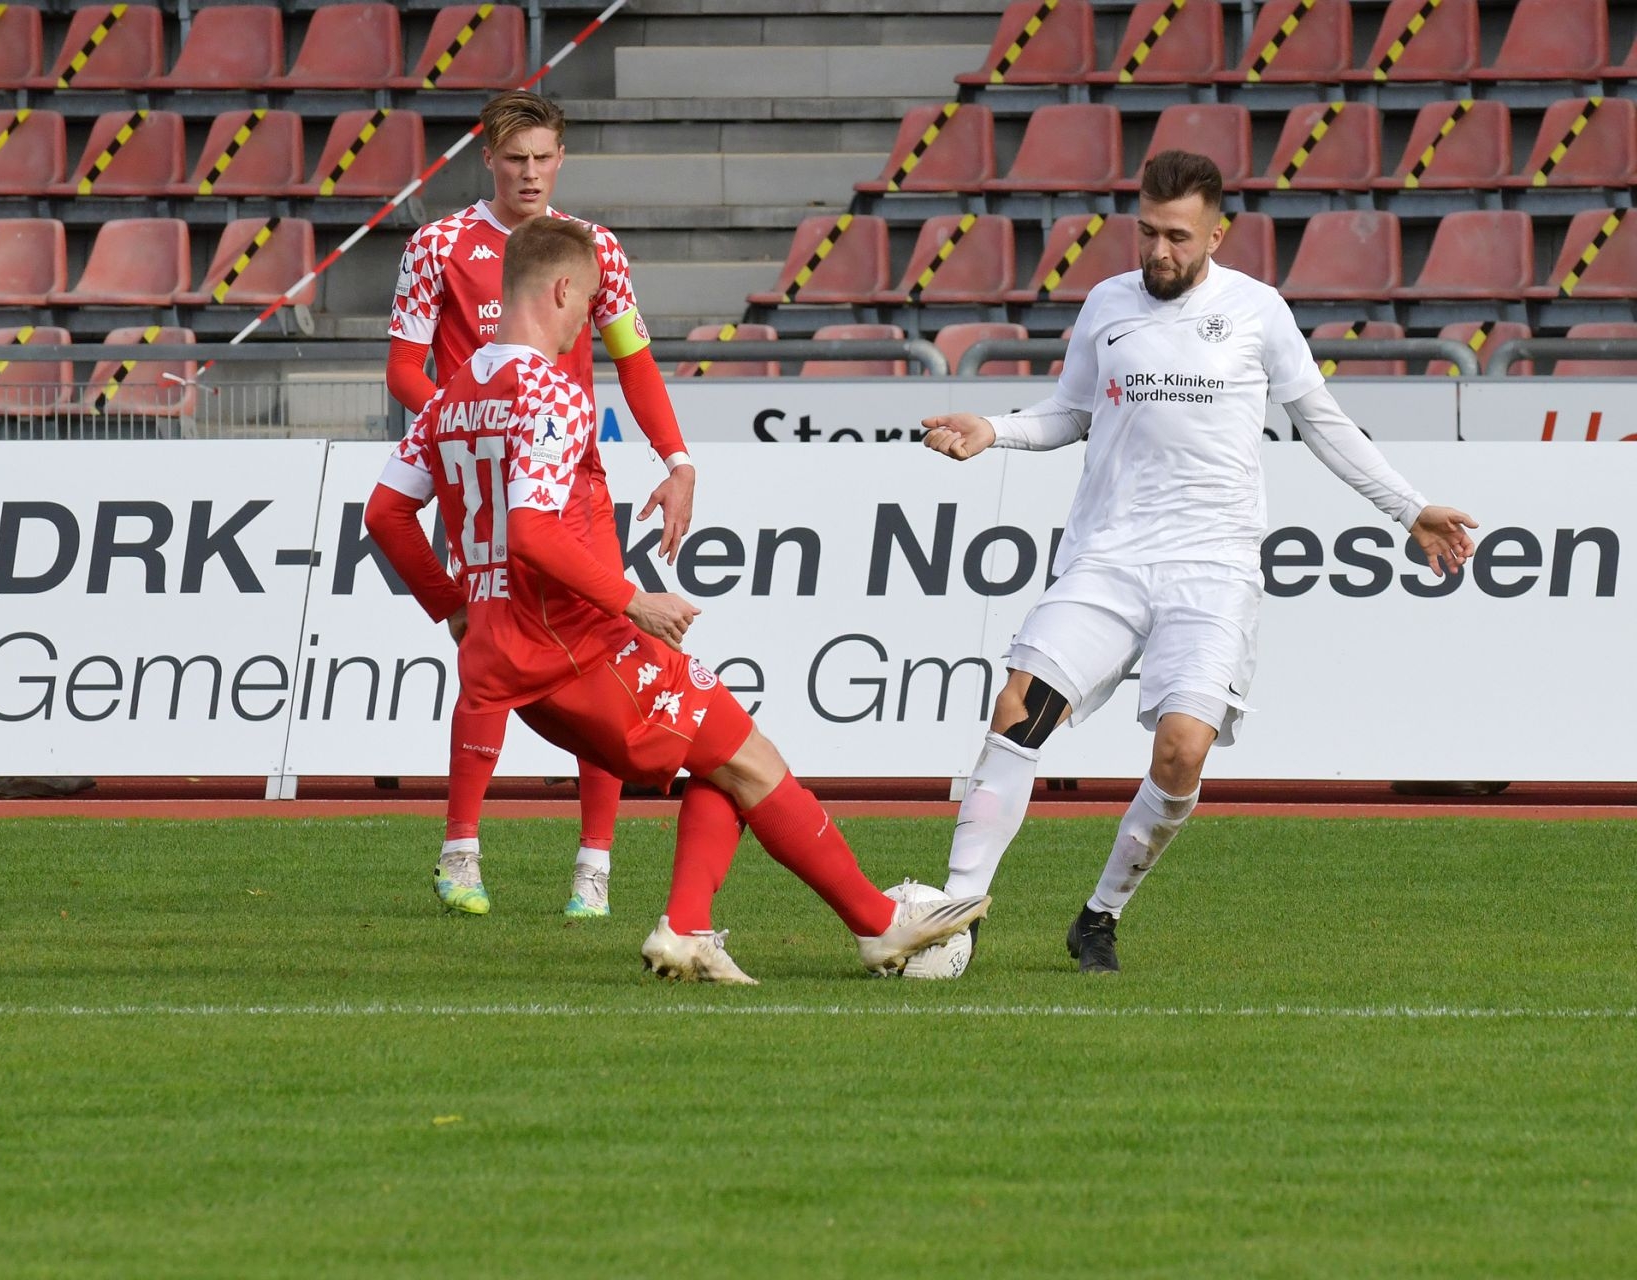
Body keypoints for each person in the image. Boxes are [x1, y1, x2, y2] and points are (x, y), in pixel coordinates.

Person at [369, 217, 989, 982]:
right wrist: (634, 603)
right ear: (563, 289)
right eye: (586, 303)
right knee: (757, 765)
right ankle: (878, 923)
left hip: (510, 661)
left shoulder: (451, 393)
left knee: (726, 764)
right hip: (586, 649)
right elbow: (530, 530)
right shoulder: (551, 393)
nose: (584, 322)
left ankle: (689, 929)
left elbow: (385, 515)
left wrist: (457, 607)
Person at [920, 150, 1478, 975]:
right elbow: (1068, 413)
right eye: (1146, 231)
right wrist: (994, 430)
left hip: (1213, 568)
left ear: (1219, 232)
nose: (1157, 252)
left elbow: (1321, 422)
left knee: (1182, 751)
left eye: (1177, 236)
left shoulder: (1257, 311)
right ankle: (954, 914)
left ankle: (1099, 916)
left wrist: (1409, 507)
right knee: (1019, 708)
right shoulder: (1108, 303)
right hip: (1106, 556)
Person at [382, 89, 696, 922]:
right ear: (487, 156)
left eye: (543, 157)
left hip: (573, 483)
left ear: (562, 160)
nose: (529, 172)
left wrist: (677, 457)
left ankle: (592, 866)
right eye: (514, 157)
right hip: (483, 472)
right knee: (489, 658)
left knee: (593, 653)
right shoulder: (437, 245)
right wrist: (469, 411)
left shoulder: (595, 249)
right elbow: (403, 371)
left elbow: (632, 360)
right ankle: (462, 853)